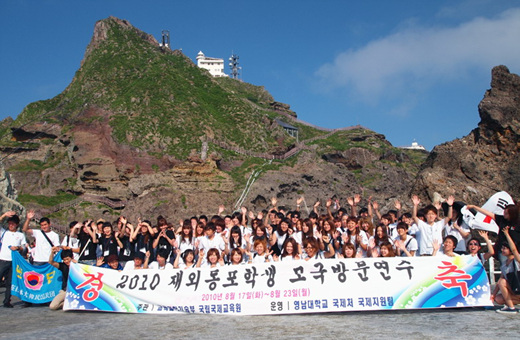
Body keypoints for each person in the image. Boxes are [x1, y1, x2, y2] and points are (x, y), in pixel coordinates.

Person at [0, 211, 27, 308]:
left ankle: (7, 300)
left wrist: (18, 248)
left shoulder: (20, 235)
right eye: (10, 223)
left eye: (13, 224)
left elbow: (24, 247)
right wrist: (4, 215)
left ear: (17, 225)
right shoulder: (4, 232)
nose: (11, 225)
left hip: (14, 261)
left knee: (9, 282)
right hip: (3, 260)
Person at [492, 227, 520, 313]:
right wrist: (493, 294)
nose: (502, 250)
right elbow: (500, 279)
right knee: (499, 299)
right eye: (502, 248)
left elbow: (514, 249)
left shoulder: (517, 260)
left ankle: (511, 308)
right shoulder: (504, 264)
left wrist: (507, 234)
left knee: (503, 282)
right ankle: (511, 304)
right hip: (515, 290)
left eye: (505, 248)